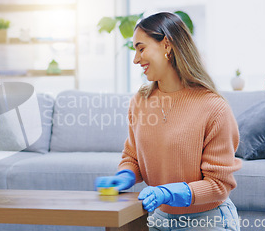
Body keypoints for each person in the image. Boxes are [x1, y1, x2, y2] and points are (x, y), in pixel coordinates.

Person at [95, 12, 242, 230]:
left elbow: (219, 184)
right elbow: (133, 156)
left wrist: (170, 193)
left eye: (141, 48)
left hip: (208, 219)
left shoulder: (214, 107)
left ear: (167, 45)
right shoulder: (140, 102)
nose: (136, 59)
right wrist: (126, 174)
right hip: (161, 219)